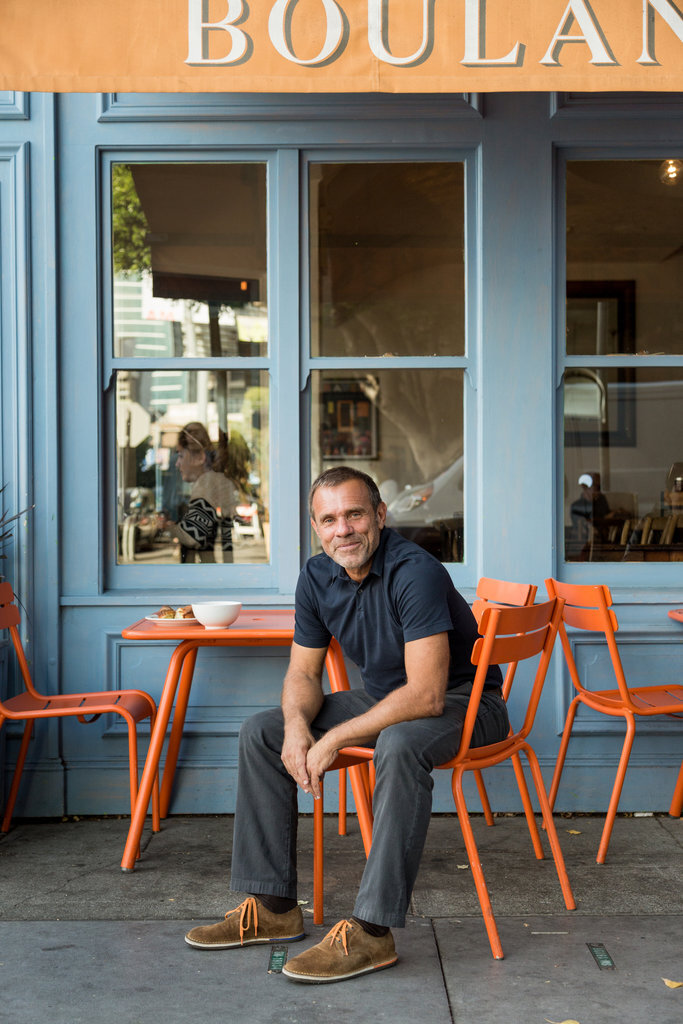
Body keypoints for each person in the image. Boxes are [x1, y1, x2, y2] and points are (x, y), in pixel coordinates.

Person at [184, 466, 509, 984]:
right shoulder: (316, 577)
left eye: (354, 514)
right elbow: (304, 671)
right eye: (330, 519)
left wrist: (335, 735)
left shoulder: (414, 571)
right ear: (317, 528)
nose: (344, 530)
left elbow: (426, 694)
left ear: (379, 515)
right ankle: (273, 907)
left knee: (399, 744)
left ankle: (373, 933)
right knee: (263, 732)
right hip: (385, 699)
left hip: (466, 702)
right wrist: (296, 725)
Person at [159, 422, 239, 563]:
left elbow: (192, 538)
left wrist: (166, 526)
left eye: (181, 456)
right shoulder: (217, 481)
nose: (177, 463)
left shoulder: (206, 486)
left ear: (200, 458)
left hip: (204, 573)